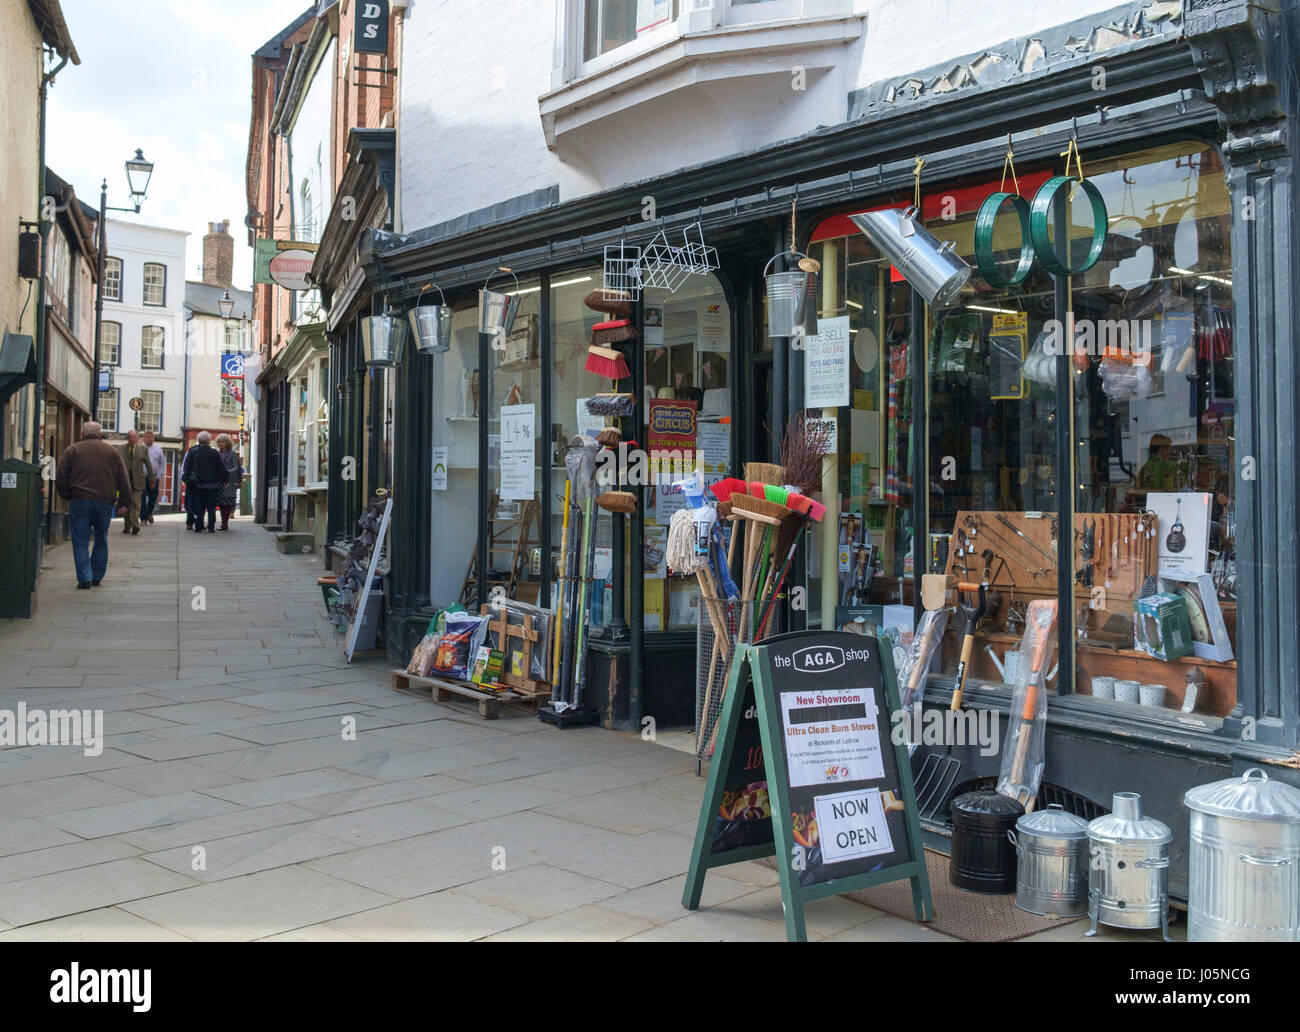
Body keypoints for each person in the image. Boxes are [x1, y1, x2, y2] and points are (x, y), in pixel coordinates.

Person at [56, 421, 130, 588]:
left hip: (80, 500)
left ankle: (84, 578)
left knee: (80, 540)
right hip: (104, 501)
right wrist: (124, 501)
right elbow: (122, 477)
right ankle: (97, 576)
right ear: (99, 434)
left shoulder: (72, 450)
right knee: (101, 538)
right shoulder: (112, 451)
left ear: (82, 434)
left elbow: (61, 476)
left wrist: (67, 495)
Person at [185, 431, 228, 533]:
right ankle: (211, 526)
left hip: (197, 485)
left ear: (198, 440)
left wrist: (187, 480)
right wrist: (225, 480)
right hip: (212, 485)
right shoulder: (214, 453)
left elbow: (187, 468)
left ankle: (199, 526)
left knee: (199, 506)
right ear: (209, 441)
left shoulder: (192, 452)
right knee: (211, 507)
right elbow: (220, 468)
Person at [117, 428, 151, 535]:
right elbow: (116, 465)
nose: (132, 439)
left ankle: (135, 525)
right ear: (127, 438)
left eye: (134, 437)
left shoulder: (143, 449)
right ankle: (127, 525)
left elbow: (148, 464)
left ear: (137, 438)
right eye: (130, 437)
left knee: (136, 503)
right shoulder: (120, 449)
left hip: (138, 481)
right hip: (125, 481)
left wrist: (152, 478)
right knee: (125, 504)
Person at [215, 433, 243, 531]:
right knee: (221, 503)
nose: (220, 444)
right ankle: (223, 523)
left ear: (227, 443)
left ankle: (224, 524)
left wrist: (227, 472)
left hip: (230, 482)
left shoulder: (232, 454)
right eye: (219, 442)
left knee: (227, 503)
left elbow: (236, 468)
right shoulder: (217, 454)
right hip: (220, 481)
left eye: (222, 442)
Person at [140, 429, 165, 524]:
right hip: (142, 477)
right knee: (142, 498)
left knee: (153, 497)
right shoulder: (139, 448)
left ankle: (149, 513)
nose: (150, 439)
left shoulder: (158, 449)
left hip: (154, 477)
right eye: (148, 437)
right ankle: (143, 518)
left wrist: (158, 476)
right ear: (144, 438)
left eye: (152, 437)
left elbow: (162, 463)